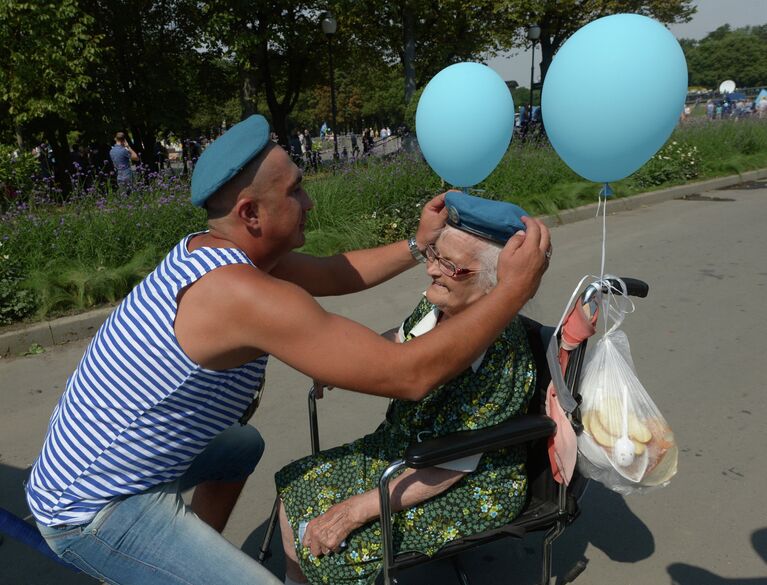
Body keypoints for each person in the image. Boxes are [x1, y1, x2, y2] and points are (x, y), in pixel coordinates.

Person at [25, 115, 550, 585]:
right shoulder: (240, 294)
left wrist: (417, 245)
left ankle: (182, 557)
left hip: (106, 462)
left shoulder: (220, 252)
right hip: (91, 506)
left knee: (243, 446)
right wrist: (512, 289)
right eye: (296, 191)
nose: (310, 202)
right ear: (252, 213)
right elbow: (407, 375)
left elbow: (332, 273)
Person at [275, 194, 541, 585]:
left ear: (497, 284)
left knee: (334, 556)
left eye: (449, 264)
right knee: (296, 486)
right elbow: (399, 341)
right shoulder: (440, 304)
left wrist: (355, 510)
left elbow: (454, 464)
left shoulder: (501, 357)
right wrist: (344, 367)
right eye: (434, 254)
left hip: (466, 479)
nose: (431, 269)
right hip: (403, 452)